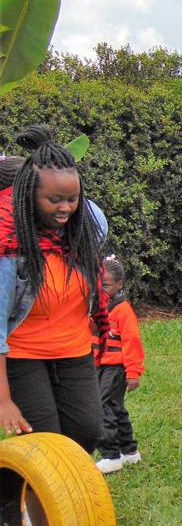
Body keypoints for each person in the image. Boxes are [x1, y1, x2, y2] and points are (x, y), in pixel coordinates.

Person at [0, 125, 107, 452]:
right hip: (23, 355)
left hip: (73, 351)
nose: (64, 208)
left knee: (87, 432)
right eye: (54, 200)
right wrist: (4, 400)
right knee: (43, 444)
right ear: (30, 195)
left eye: (72, 199)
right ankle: (25, 502)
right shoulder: (9, 247)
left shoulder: (85, 234)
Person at [93, 256, 145, 474]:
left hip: (115, 368)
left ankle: (110, 455)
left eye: (106, 285)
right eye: (99, 285)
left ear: (119, 285)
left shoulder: (123, 310)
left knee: (103, 406)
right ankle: (130, 452)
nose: (102, 289)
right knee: (115, 407)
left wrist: (133, 372)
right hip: (99, 365)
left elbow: (132, 342)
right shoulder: (96, 308)